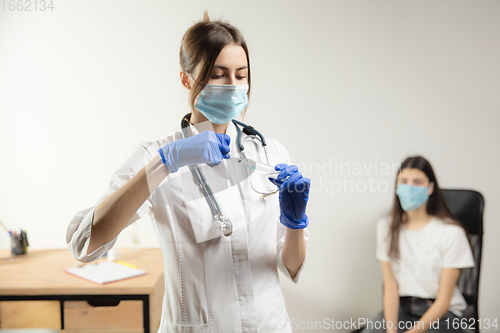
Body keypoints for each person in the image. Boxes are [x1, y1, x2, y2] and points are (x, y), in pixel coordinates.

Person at [66, 12, 310, 333]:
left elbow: (289, 266)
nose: (233, 86)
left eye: (241, 75)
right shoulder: (155, 157)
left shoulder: (269, 153)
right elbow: (85, 244)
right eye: (218, 74)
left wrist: (294, 223)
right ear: (187, 79)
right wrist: (165, 163)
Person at [362, 156, 474, 333]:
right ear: (397, 186)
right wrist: (391, 331)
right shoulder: (386, 226)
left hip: (439, 313)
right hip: (401, 308)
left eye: (417, 182)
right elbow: (390, 287)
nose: (409, 187)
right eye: (404, 181)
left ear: (430, 188)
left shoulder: (451, 232)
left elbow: (444, 301)